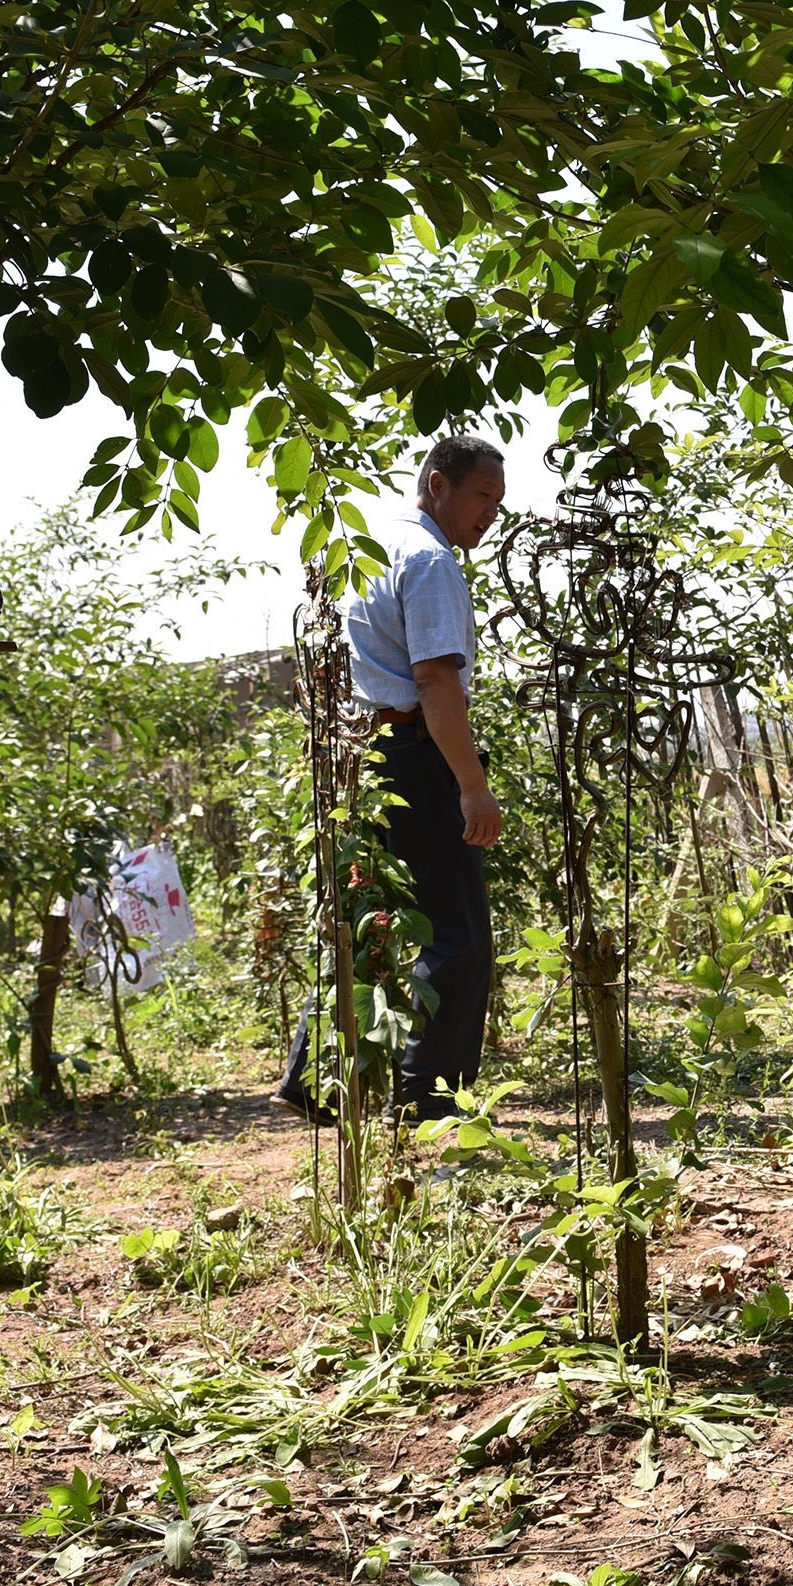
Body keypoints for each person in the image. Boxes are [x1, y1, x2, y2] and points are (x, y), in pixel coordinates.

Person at [277, 436, 507, 1126]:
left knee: (367, 920)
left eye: (497, 501)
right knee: (459, 935)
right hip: (413, 748)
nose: (490, 514)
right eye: (481, 496)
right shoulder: (431, 559)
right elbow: (435, 678)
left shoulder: (368, 549)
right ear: (437, 485)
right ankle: (428, 1101)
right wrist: (471, 785)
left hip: (361, 754)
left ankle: (316, 1079)